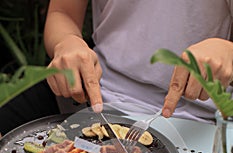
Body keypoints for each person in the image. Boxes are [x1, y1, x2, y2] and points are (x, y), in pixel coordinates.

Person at [43, 0, 233, 122]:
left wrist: (227, 51)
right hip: (93, 93)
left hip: (200, 117)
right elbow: (62, 12)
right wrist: (66, 42)